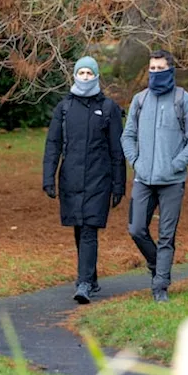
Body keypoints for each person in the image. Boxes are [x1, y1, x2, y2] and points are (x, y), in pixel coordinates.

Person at [121, 49, 188, 303]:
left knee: (166, 235)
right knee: (136, 229)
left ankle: (160, 286)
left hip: (172, 181)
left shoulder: (184, 100)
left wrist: (176, 164)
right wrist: (135, 161)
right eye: (152, 69)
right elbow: (128, 136)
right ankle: (158, 267)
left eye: (160, 69)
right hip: (144, 179)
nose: (156, 73)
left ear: (171, 70)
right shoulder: (140, 100)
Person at [42, 55, 127, 304]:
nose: (86, 77)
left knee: (89, 228)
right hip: (71, 179)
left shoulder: (109, 108)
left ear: (97, 76)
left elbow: (116, 150)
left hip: (99, 180)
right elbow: (53, 144)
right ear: (75, 76)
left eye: (90, 73)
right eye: (82, 73)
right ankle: (91, 276)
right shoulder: (64, 108)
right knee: (79, 228)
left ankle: (84, 283)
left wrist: (118, 185)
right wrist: (48, 178)